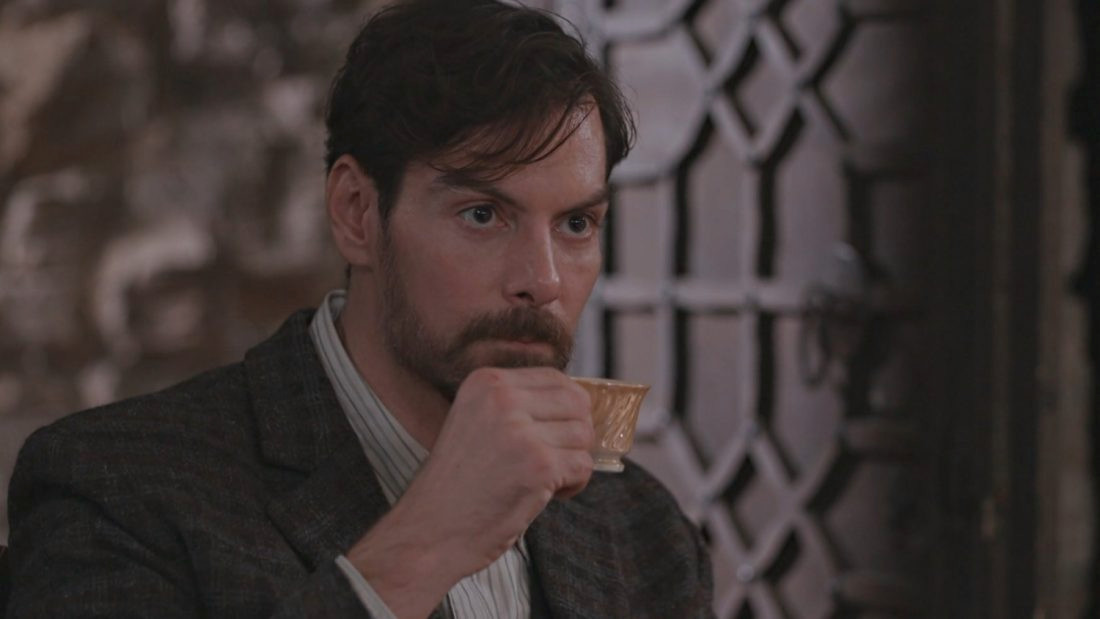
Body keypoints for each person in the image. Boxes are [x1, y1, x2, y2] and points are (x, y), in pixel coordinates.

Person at [4, 0, 714, 617]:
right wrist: (426, 541)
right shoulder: (116, 490)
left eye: (576, 224)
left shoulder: (644, 530)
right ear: (356, 213)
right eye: (482, 214)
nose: (544, 280)